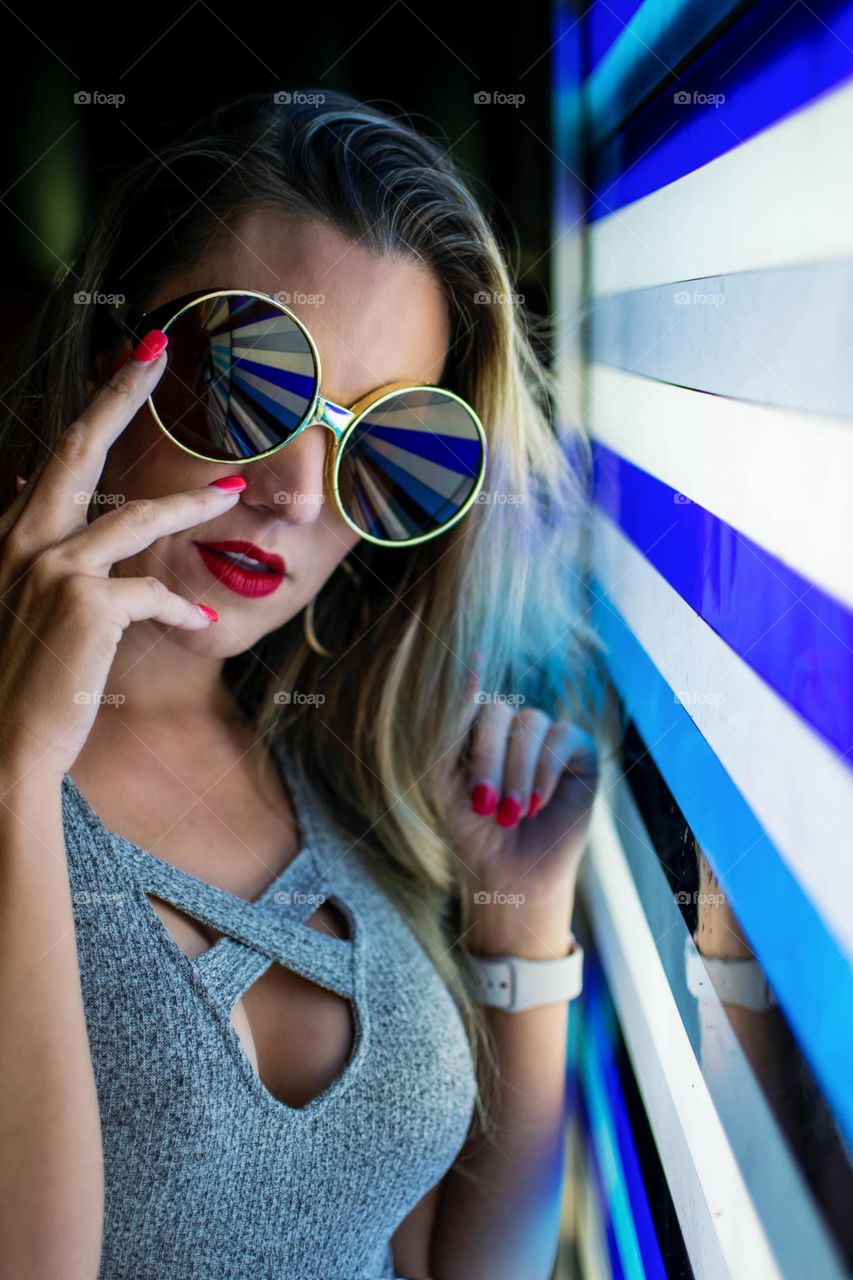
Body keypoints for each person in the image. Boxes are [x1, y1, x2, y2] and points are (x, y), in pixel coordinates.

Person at [0, 89, 604, 1280]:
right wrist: (15, 778)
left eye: (386, 443)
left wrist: (522, 925)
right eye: (251, 380)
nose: (298, 491)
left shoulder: (339, 762)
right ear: (107, 343)